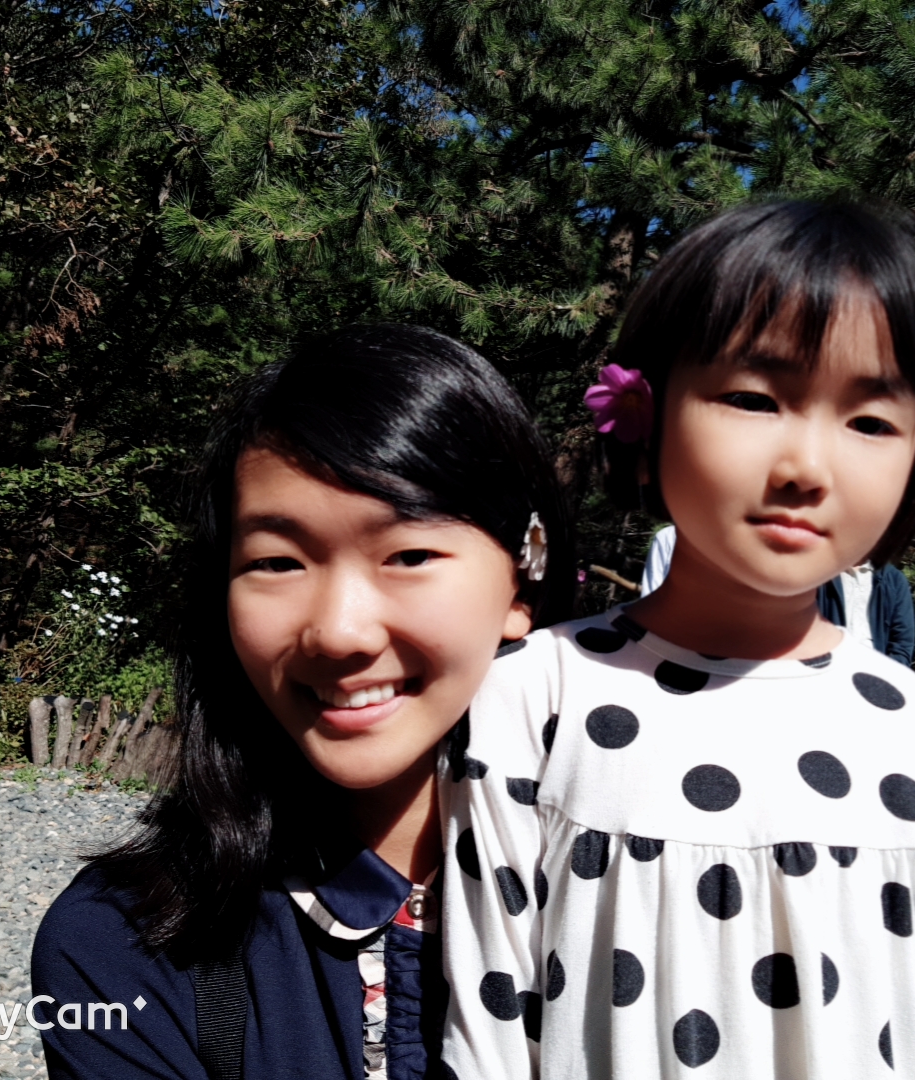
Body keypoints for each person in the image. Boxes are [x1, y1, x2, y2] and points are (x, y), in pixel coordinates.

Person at [439, 202, 915, 1078]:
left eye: (870, 421)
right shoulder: (531, 702)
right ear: (645, 414)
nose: (807, 468)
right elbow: (485, 1040)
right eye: (753, 399)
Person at [30, 324, 574, 1080]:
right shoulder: (125, 946)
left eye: (409, 554)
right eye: (278, 562)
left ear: (523, 581)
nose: (339, 632)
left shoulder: (654, 884)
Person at [644, 527, 915, 666]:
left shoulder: (892, 581)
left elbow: (902, 641)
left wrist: (884, 679)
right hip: (827, 672)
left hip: (876, 671)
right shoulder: (824, 572)